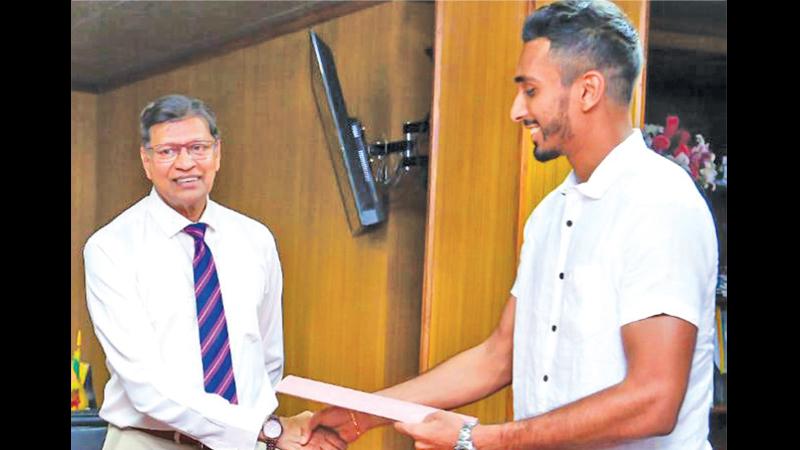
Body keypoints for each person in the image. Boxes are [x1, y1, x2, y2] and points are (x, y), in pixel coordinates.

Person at [308, 1, 718, 449]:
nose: (516, 110)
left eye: (531, 90)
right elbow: (498, 356)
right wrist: (361, 412)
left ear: (588, 91)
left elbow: (654, 399)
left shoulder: (659, 202)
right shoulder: (548, 216)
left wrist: (480, 439)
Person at [84, 94, 346, 450]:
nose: (185, 163)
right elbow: (145, 383)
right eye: (167, 151)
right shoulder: (111, 247)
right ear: (146, 161)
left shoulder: (255, 238)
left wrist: (257, 433)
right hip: (151, 441)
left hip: (248, 443)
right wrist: (265, 429)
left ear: (217, 153)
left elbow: (267, 357)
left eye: (197, 147)